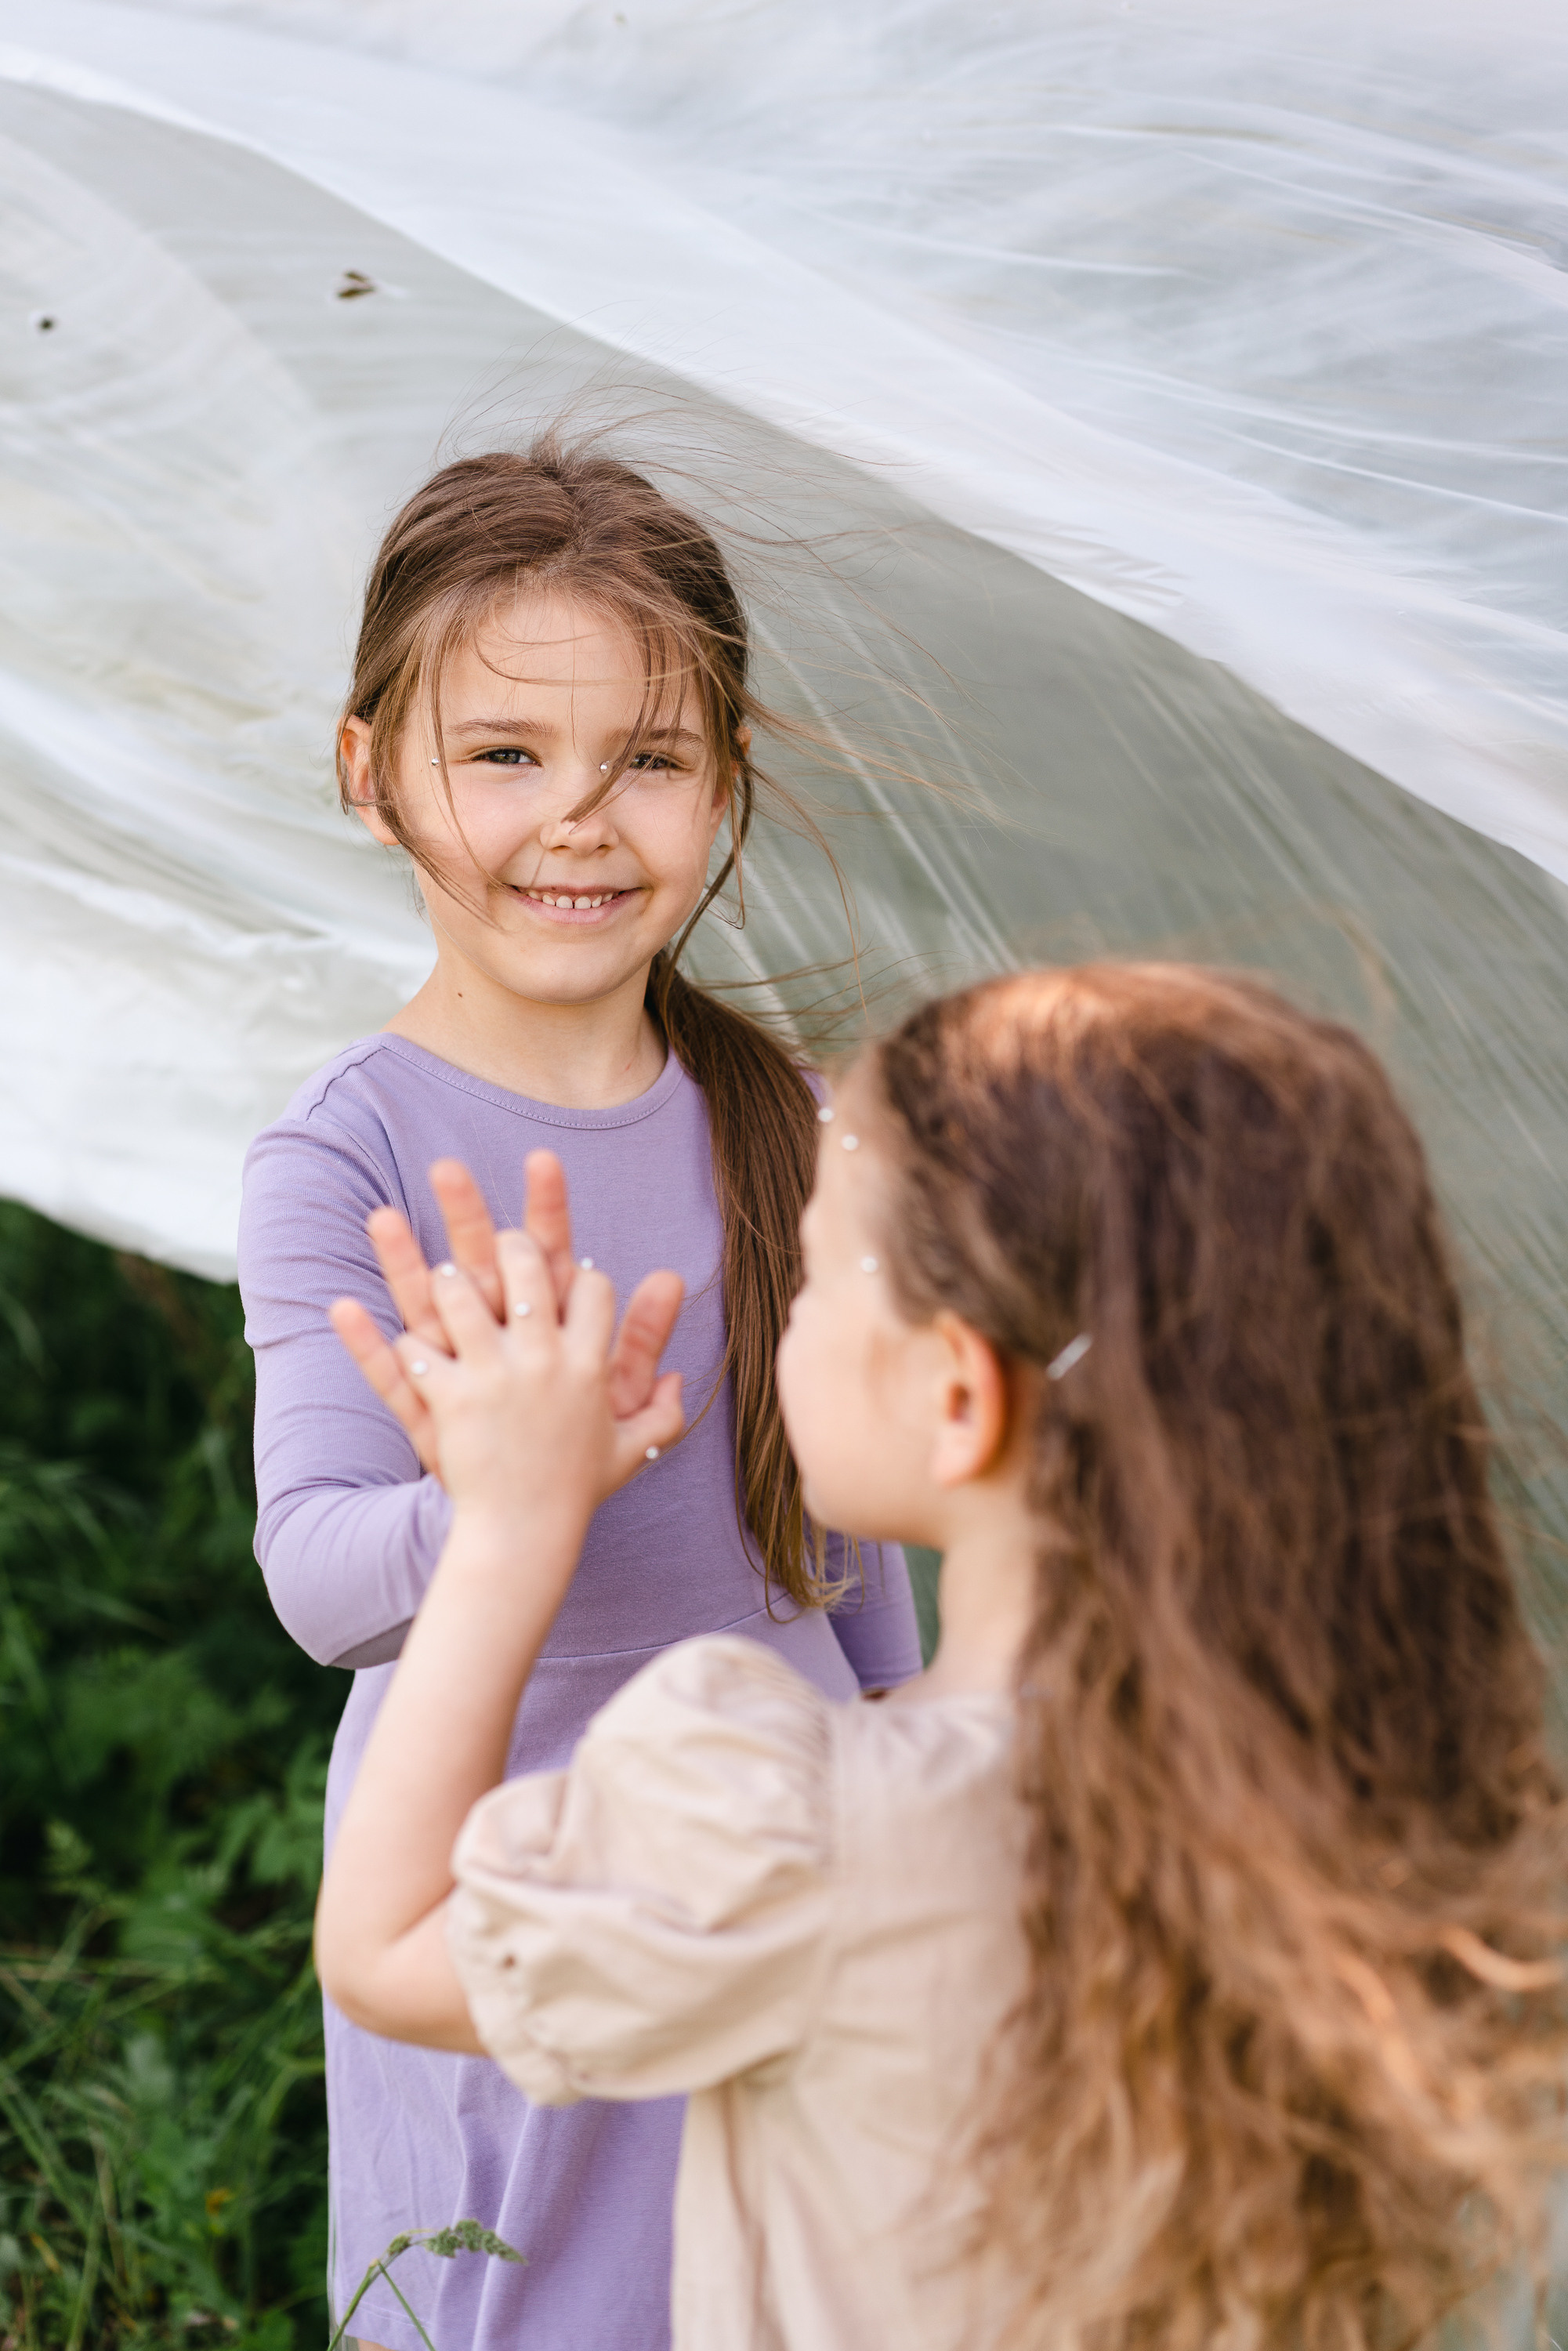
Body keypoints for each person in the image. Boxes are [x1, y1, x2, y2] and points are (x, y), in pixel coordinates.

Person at [317, 961, 1568, 2351]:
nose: (779, 1308)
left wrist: (506, 1526)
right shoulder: (1354, 1796)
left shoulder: (803, 1832)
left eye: (808, 1274)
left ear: (958, 1396)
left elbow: (387, 1950)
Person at [237, 438, 923, 2351]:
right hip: (504, 1893)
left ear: (724, 788)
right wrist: (501, 1502)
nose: (581, 824)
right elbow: (316, 1572)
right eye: (507, 755)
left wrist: (892, 1762)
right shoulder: (346, 1156)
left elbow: (836, 1528)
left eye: (650, 760)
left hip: (794, 1869)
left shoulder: (772, 1112)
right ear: (371, 774)